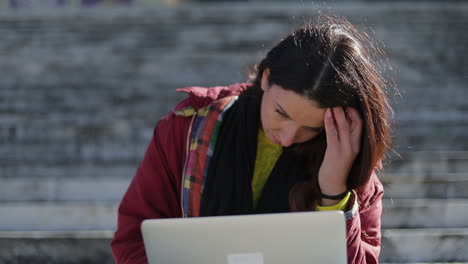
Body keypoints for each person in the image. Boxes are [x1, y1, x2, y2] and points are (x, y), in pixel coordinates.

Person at [111, 15, 393, 264]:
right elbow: (132, 239)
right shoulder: (188, 127)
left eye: (311, 128)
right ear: (266, 78)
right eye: (280, 112)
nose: (287, 137)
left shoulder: (349, 158)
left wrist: (334, 193)